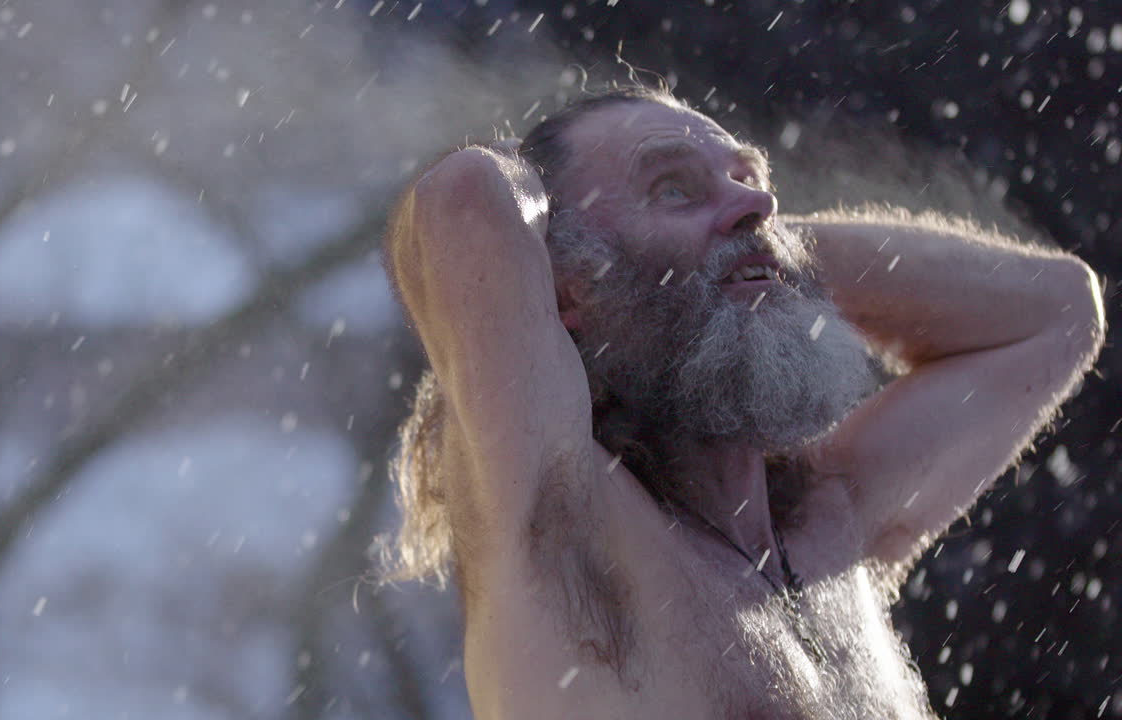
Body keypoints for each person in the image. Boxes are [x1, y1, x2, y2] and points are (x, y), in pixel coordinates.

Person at [380, 85, 1105, 719]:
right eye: (672, 187)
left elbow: (1059, 310)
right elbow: (467, 201)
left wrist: (759, 248)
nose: (758, 203)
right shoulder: (566, 517)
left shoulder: (833, 526)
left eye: (751, 180)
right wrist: (645, 248)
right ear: (567, 285)